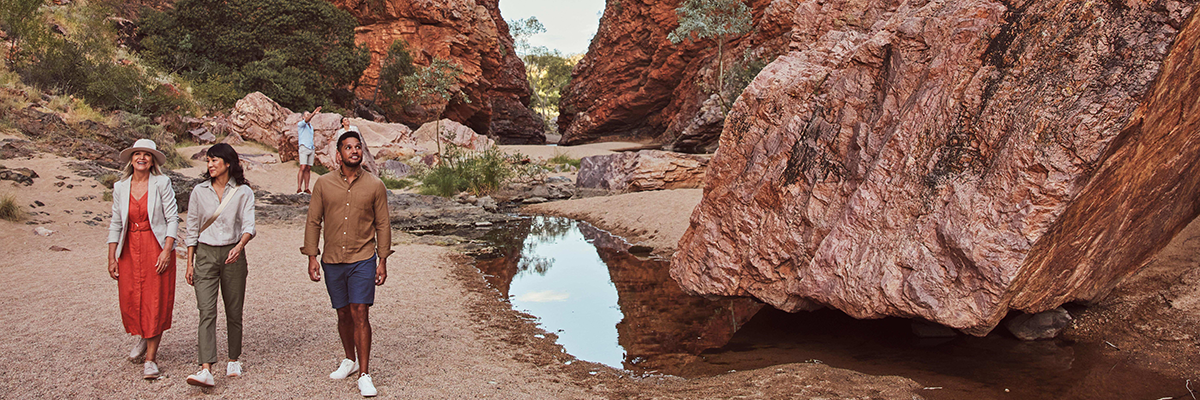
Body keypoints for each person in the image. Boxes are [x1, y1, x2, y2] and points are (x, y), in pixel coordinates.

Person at [302, 132, 391, 397]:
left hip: (363, 258)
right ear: (338, 154)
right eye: (348, 147)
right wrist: (311, 257)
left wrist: (382, 260)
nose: (354, 151)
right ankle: (349, 360)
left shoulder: (375, 186)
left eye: (357, 147)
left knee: (360, 311)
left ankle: (364, 374)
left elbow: (383, 224)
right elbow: (313, 221)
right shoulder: (323, 184)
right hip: (332, 260)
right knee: (342, 313)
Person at [183, 143, 256, 388]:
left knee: (234, 310)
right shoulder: (199, 191)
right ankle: (206, 367)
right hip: (204, 253)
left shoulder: (244, 192)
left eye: (215, 160)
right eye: (208, 161)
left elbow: (249, 225)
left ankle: (234, 358)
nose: (211, 165)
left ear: (228, 163)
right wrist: (189, 262)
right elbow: (191, 228)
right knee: (206, 310)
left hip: (233, 254)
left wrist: (239, 246)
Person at [107, 138, 179, 380]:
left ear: (152, 161)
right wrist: (112, 256)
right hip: (129, 248)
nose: (142, 158)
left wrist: (167, 250)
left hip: (155, 245)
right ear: (131, 159)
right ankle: (142, 335)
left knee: (155, 299)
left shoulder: (161, 182)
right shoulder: (120, 187)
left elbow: (172, 219)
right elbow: (116, 223)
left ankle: (151, 359)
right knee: (132, 296)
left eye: (147, 155)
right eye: (137, 153)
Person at [297, 106, 321, 194]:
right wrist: (314, 112)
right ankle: (299, 187)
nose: (308, 116)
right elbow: (307, 120)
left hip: (311, 148)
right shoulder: (301, 124)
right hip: (304, 147)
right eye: (307, 115)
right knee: (302, 167)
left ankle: (306, 188)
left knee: (308, 168)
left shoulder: (311, 126)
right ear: (303, 117)